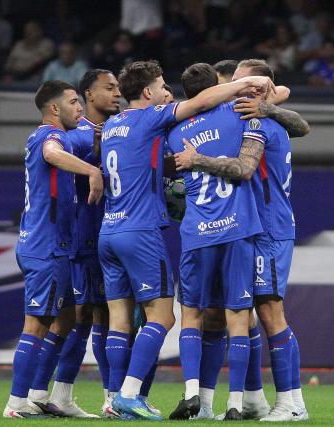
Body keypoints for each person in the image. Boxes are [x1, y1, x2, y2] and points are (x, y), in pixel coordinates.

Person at [98, 60, 274, 420]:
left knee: (120, 320)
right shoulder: (157, 118)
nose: (167, 93)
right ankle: (131, 395)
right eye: (162, 86)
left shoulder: (114, 124)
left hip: (109, 230)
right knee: (165, 317)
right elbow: (203, 104)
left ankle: (113, 397)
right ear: (148, 93)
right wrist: (249, 83)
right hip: (144, 230)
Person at [175, 58, 310, 422]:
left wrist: (196, 158)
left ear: (259, 90)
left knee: (268, 311)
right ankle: (250, 398)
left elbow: (245, 168)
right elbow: (291, 109)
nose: (233, 90)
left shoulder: (259, 122)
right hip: (248, 227)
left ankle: (292, 403)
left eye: (239, 84)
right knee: (239, 314)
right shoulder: (261, 117)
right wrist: (271, 98)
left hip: (269, 228)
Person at [166, 62, 267, 421]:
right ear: (217, 87)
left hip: (196, 232)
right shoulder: (239, 114)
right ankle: (236, 403)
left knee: (191, 315)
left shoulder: (174, 131)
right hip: (237, 228)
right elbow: (272, 89)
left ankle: (193, 395)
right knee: (239, 316)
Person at [2, 80, 103, 419]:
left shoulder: (66, 135)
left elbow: (85, 137)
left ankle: (45, 396)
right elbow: (53, 154)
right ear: (55, 109)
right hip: (43, 247)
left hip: (56, 247)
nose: (80, 108)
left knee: (69, 319)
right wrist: (91, 170)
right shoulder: (48, 136)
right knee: (36, 325)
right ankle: (16, 404)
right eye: (74, 102)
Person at [25, 70, 122, 419]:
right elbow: (55, 151)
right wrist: (95, 156)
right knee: (88, 314)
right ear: (88, 95)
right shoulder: (77, 134)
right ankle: (103, 397)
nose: (117, 94)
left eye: (119, 89)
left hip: (112, 231)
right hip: (84, 234)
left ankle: (54, 394)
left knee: (95, 315)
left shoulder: (117, 128)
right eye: (109, 89)